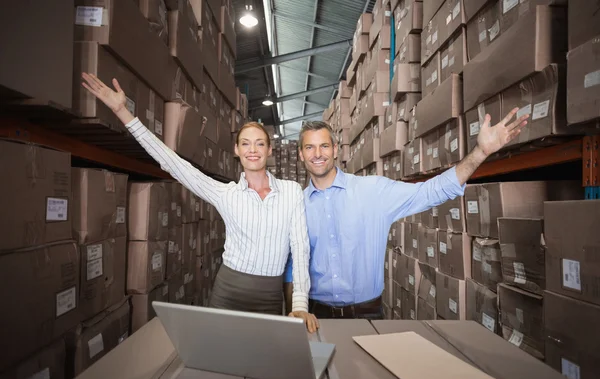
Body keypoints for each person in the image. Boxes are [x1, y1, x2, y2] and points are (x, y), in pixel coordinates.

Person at [81, 73, 319, 332]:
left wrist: (300, 305)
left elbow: (300, 249)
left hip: (270, 299)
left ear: (269, 150)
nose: (253, 149)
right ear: (236, 150)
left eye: (260, 144)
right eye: (246, 144)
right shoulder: (225, 194)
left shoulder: (291, 192)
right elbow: (173, 164)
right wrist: (123, 112)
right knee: (219, 365)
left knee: (263, 365)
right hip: (228, 294)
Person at [284, 110, 529, 319]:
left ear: (335, 150)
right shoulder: (296, 205)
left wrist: (480, 152)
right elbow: (293, 267)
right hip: (315, 315)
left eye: (324, 146)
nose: (318, 153)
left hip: (365, 313)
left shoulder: (373, 191)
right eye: (310, 147)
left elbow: (428, 192)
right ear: (301, 155)